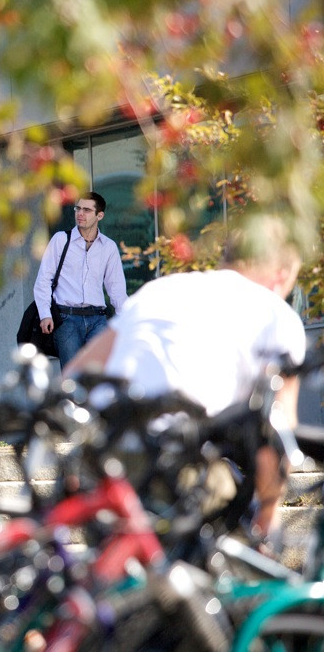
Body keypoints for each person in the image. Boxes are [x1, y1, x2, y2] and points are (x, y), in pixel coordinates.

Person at [65, 213, 306, 540]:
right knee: (238, 556)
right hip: (177, 468)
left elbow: (74, 373)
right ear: (281, 275)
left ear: (227, 257)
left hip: (103, 461)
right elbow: (276, 428)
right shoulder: (278, 317)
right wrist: (268, 511)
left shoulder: (158, 291)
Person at [34, 191, 127, 368]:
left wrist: (126, 320)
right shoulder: (61, 240)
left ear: (99, 215)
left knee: (100, 374)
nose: (80, 213)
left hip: (98, 319)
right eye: (78, 208)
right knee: (73, 377)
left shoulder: (108, 247)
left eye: (86, 210)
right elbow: (44, 279)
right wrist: (45, 314)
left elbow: (116, 289)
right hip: (67, 319)